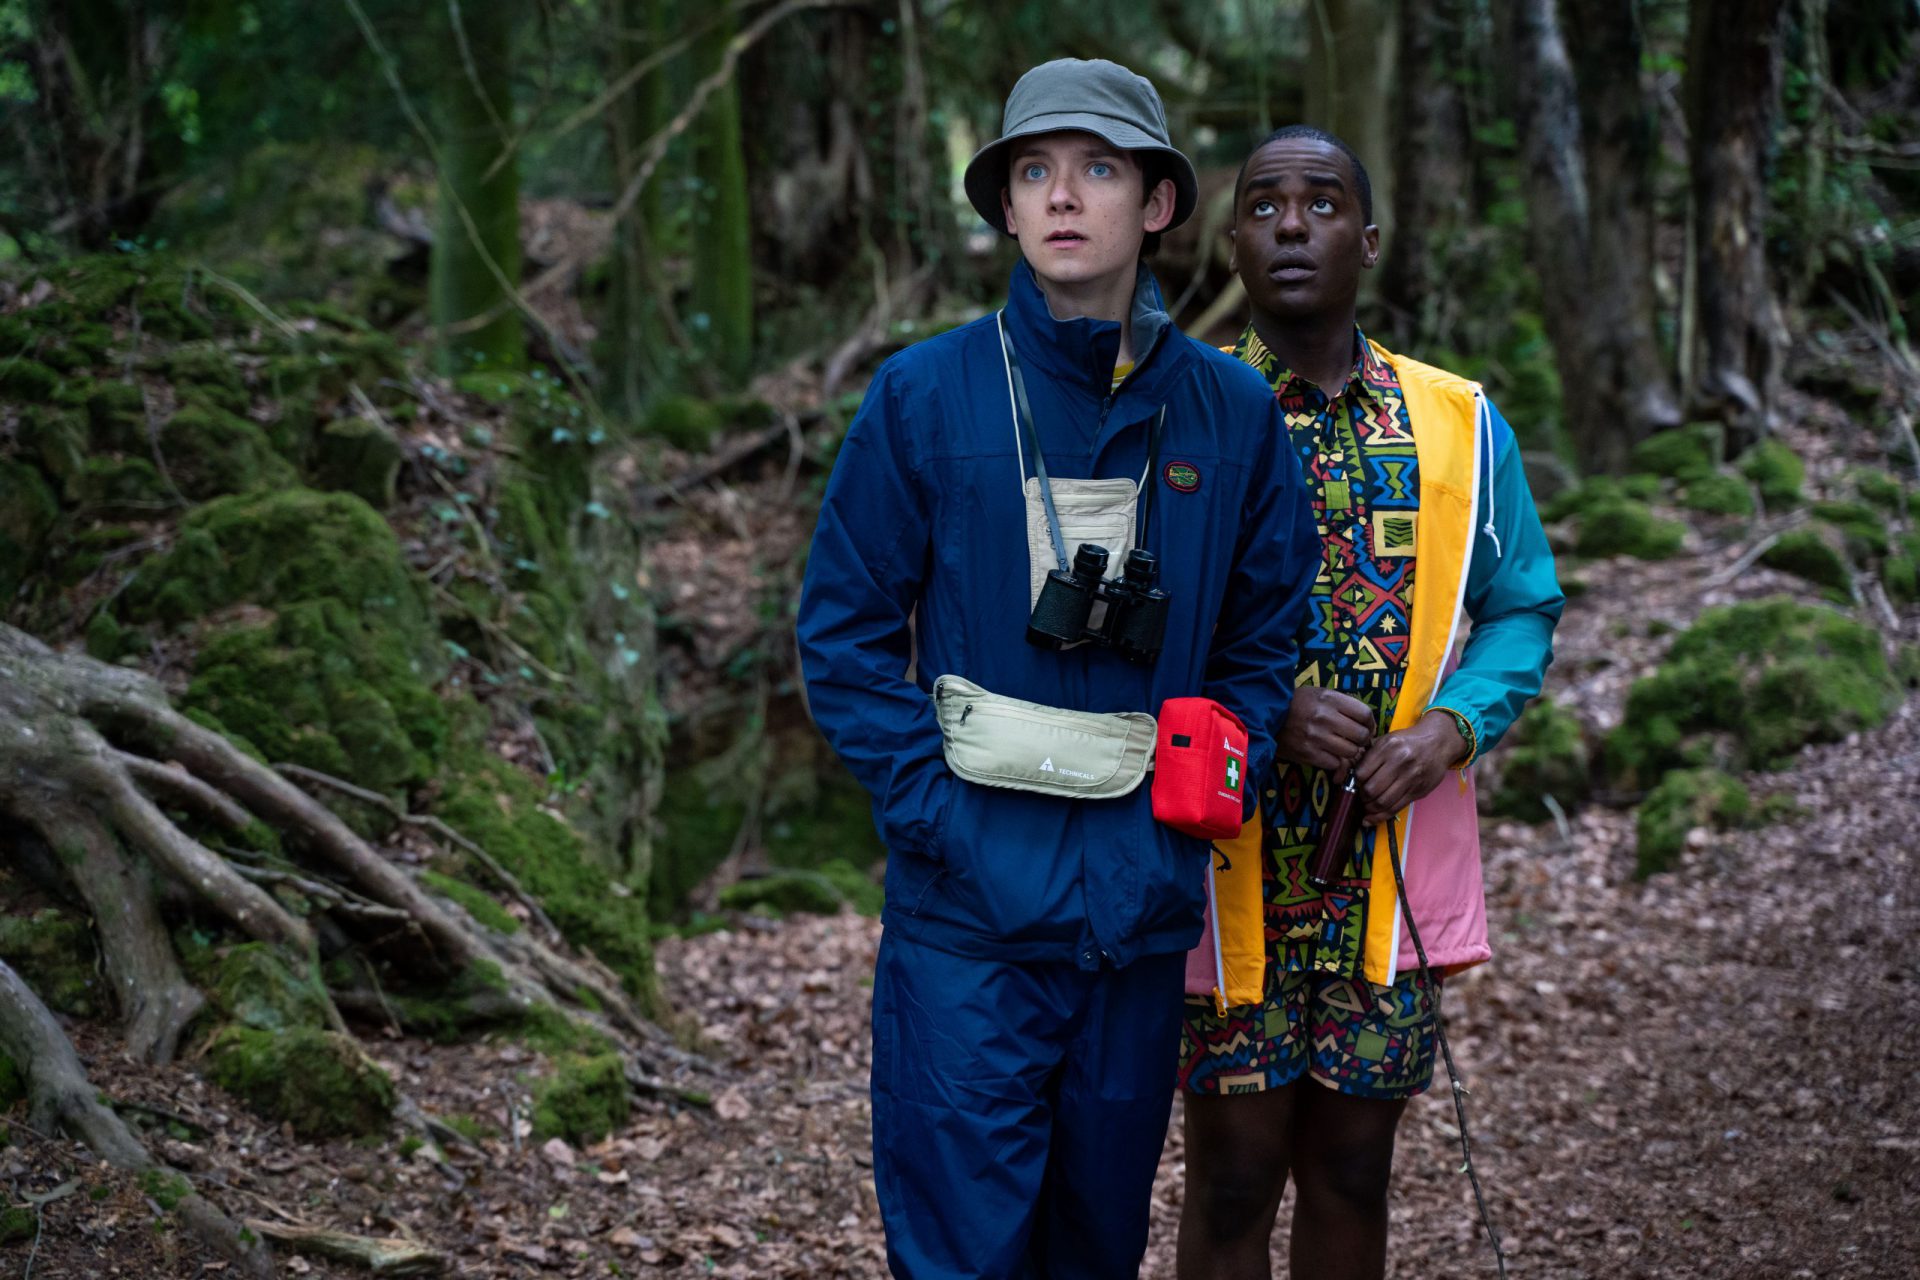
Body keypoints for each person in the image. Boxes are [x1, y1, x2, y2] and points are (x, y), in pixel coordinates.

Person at [796, 60, 1321, 1280]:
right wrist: (933, 812)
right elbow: (844, 633)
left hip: (1135, 909)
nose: (1063, 195)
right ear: (1007, 206)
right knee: (962, 1253)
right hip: (964, 920)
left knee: (1094, 1245)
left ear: (1157, 202)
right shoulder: (925, 395)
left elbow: (1262, 634)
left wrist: (1200, 800)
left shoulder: (1230, 413)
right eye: (1034, 171)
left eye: (1097, 168)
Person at [1175, 126, 1565, 1280]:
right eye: (1264, 205)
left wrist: (1450, 729)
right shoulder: (1182, 413)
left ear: (1371, 238)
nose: (1293, 225)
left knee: (1353, 1167)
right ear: (1233, 244)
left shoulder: (1457, 421)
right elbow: (1137, 621)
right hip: (1229, 855)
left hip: (1384, 858)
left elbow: (1521, 604)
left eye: (1324, 203)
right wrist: (1270, 707)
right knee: (1233, 1171)